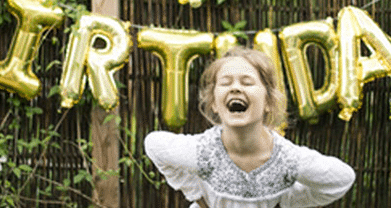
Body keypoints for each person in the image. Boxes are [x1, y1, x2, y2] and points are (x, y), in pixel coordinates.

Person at [144, 46, 356, 208]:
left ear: (268, 102)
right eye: (226, 82)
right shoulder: (201, 152)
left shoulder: (287, 159)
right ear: (214, 104)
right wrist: (196, 194)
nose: (235, 87)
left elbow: (342, 179)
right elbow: (154, 144)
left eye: (247, 82)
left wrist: (289, 200)